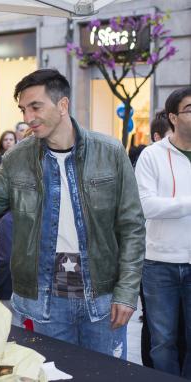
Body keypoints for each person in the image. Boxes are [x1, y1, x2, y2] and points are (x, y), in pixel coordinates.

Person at [0, 69, 145, 358]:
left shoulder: (109, 152)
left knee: (105, 375)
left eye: (36, 106)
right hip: (42, 297)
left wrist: (127, 291)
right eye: (24, 109)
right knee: (49, 373)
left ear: (63, 105)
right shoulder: (18, 158)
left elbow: (132, 226)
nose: (28, 117)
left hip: (101, 295)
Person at [135, 86, 191, 378]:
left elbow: (160, 205)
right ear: (172, 117)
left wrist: (175, 205)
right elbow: (146, 206)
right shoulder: (152, 156)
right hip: (159, 262)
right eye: (189, 109)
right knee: (162, 342)